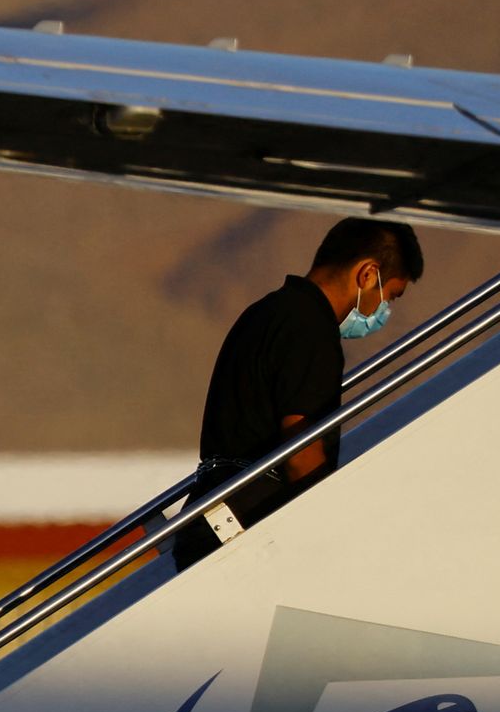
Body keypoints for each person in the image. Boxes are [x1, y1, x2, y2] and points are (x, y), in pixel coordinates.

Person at [179, 216, 423, 565]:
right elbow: (301, 447)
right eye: (390, 297)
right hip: (250, 522)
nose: (383, 312)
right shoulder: (313, 329)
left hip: (210, 509)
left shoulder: (266, 311)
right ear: (367, 274)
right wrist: (323, 529)